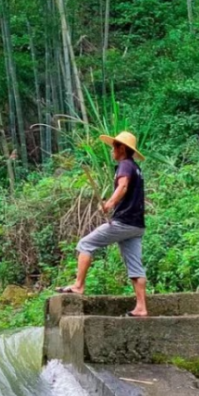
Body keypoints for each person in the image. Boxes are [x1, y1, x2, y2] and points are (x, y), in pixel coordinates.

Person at [56, 131, 148, 317]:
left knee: (85, 244)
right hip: (137, 225)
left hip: (123, 222)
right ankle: (141, 307)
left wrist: (109, 204)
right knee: (135, 266)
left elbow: (122, 187)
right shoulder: (135, 168)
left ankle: (79, 285)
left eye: (114, 146)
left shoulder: (124, 166)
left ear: (122, 148)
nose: (112, 150)